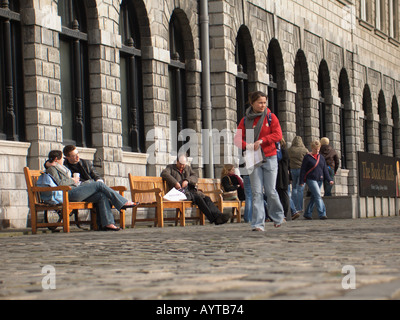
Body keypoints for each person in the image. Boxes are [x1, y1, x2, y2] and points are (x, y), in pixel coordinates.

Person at [45, 150, 138, 231]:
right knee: (99, 184)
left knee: (101, 195)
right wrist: (72, 180)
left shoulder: (62, 167)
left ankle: (108, 224)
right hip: (68, 193)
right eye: (61, 158)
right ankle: (123, 202)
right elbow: (60, 183)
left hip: (76, 189)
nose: (63, 160)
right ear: (57, 159)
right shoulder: (52, 169)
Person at [234, 91, 285, 231]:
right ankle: (258, 224)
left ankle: (278, 215)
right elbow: (237, 139)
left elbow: (278, 135)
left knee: (270, 190)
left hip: (270, 156)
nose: (263, 105)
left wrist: (263, 140)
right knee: (256, 192)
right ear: (252, 103)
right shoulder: (245, 120)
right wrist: (247, 146)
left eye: (264, 102)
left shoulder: (270, 117)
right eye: (260, 102)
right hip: (253, 156)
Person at [161, 154, 231, 225]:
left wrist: (187, 180)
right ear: (177, 162)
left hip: (190, 192)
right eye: (180, 164)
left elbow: (195, 176)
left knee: (206, 198)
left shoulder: (188, 168)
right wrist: (175, 183)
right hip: (179, 194)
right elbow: (164, 173)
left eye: (183, 164)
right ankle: (213, 219)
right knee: (198, 198)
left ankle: (218, 215)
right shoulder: (170, 167)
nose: (182, 166)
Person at [299, 140, 334, 220]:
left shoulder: (321, 157)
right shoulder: (307, 157)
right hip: (311, 179)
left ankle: (307, 213)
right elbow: (303, 169)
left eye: (318, 149)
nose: (317, 151)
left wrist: (329, 179)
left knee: (314, 196)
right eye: (315, 149)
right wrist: (301, 181)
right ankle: (322, 213)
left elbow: (325, 169)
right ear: (312, 148)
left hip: (319, 179)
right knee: (318, 195)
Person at [287, 136, 308, 217]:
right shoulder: (304, 150)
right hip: (301, 170)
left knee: (294, 188)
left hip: (292, 170)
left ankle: (294, 206)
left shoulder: (290, 150)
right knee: (300, 188)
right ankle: (300, 207)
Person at [276, 137, 294, 220]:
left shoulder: (280, 152)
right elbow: (289, 165)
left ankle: (284, 213)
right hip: (284, 174)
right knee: (284, 194)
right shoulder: (285, 151)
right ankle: (285, 213)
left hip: (280, 174)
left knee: (282, 194)